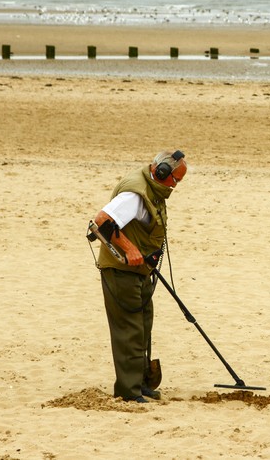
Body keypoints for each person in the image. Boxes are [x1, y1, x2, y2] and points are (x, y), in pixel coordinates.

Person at [92, 150, 187, 403]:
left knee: (143, 325)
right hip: (121, 271)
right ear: (161, 171)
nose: (174, 186)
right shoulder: (135, 194)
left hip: (140, 271)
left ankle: (141, 383)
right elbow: (101, 221)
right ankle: (129, 391)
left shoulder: (150, 188)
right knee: (129, 330)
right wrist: (130, 249)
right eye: (174, 179)